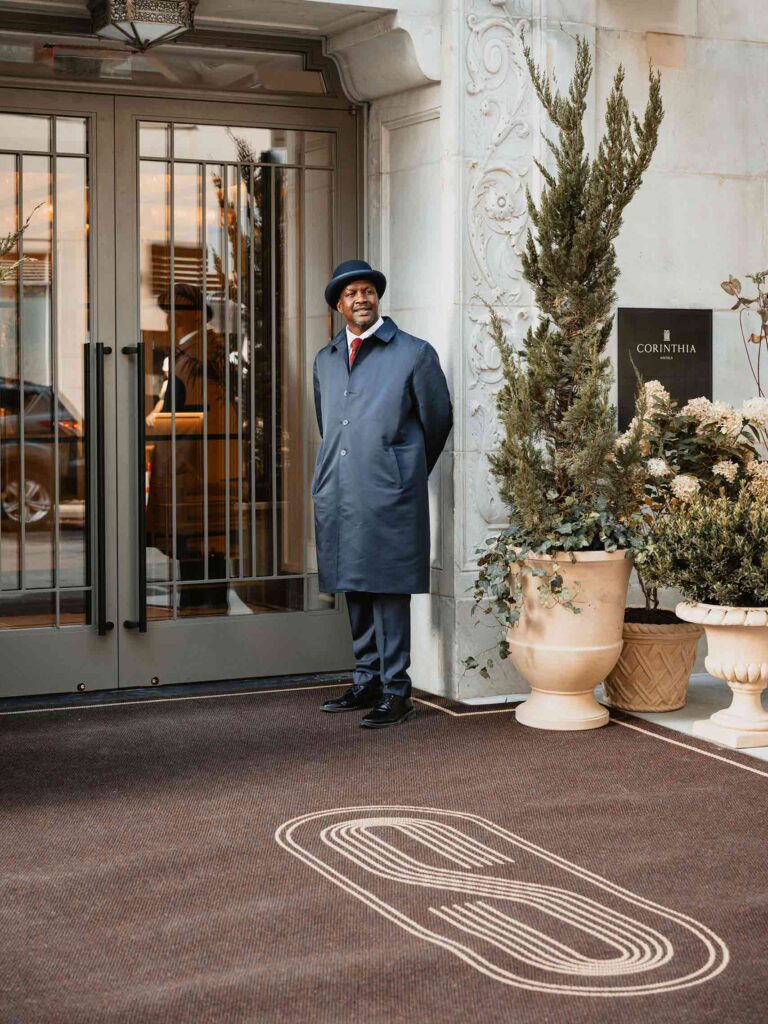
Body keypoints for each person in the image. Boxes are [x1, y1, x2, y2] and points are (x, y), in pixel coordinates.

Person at [313, 259, 453, 728]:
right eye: (351, 293)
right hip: (341, 488)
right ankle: (366, 679)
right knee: (355, 581)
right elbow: (328, 423)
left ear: (378, 298)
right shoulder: (326, 358)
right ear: (338, 304)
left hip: (389, 490)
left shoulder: (414, 353)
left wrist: (404, 468)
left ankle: (397, 689)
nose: (361, 299)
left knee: (389, 588)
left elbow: (437, 422)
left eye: (368, 291)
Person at [145, 283, 233, 611]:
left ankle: (202, 617)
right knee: (199, 547)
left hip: (194, 466)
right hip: (194, 466)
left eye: (174, 311)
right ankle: (201, 612)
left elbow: (199, 414)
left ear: (193, 316)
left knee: (200, 546)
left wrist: (151, 423)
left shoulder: (199, 353)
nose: (169, 318)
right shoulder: (193, 351)